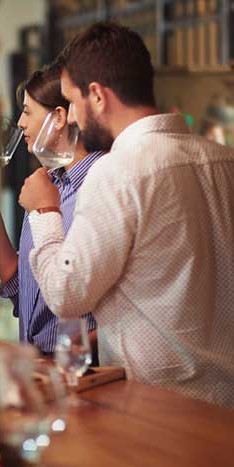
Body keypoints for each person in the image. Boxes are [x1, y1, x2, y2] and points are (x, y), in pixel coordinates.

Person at [19, 22, 234, 407]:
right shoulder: (223, 160)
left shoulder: (117, 170)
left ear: (98, 96)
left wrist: (45, 211)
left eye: (74, 102)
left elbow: (66, 296)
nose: (71, 119)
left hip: (160, 404)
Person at [0, 64, 106, 356]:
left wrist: (83, 344)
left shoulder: (101, 184)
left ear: (59, 117)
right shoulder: (45, 185)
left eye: (28, 111)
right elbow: (24, 289)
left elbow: (118, 301)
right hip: (39, 365)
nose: (20, 123)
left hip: (86, 368)